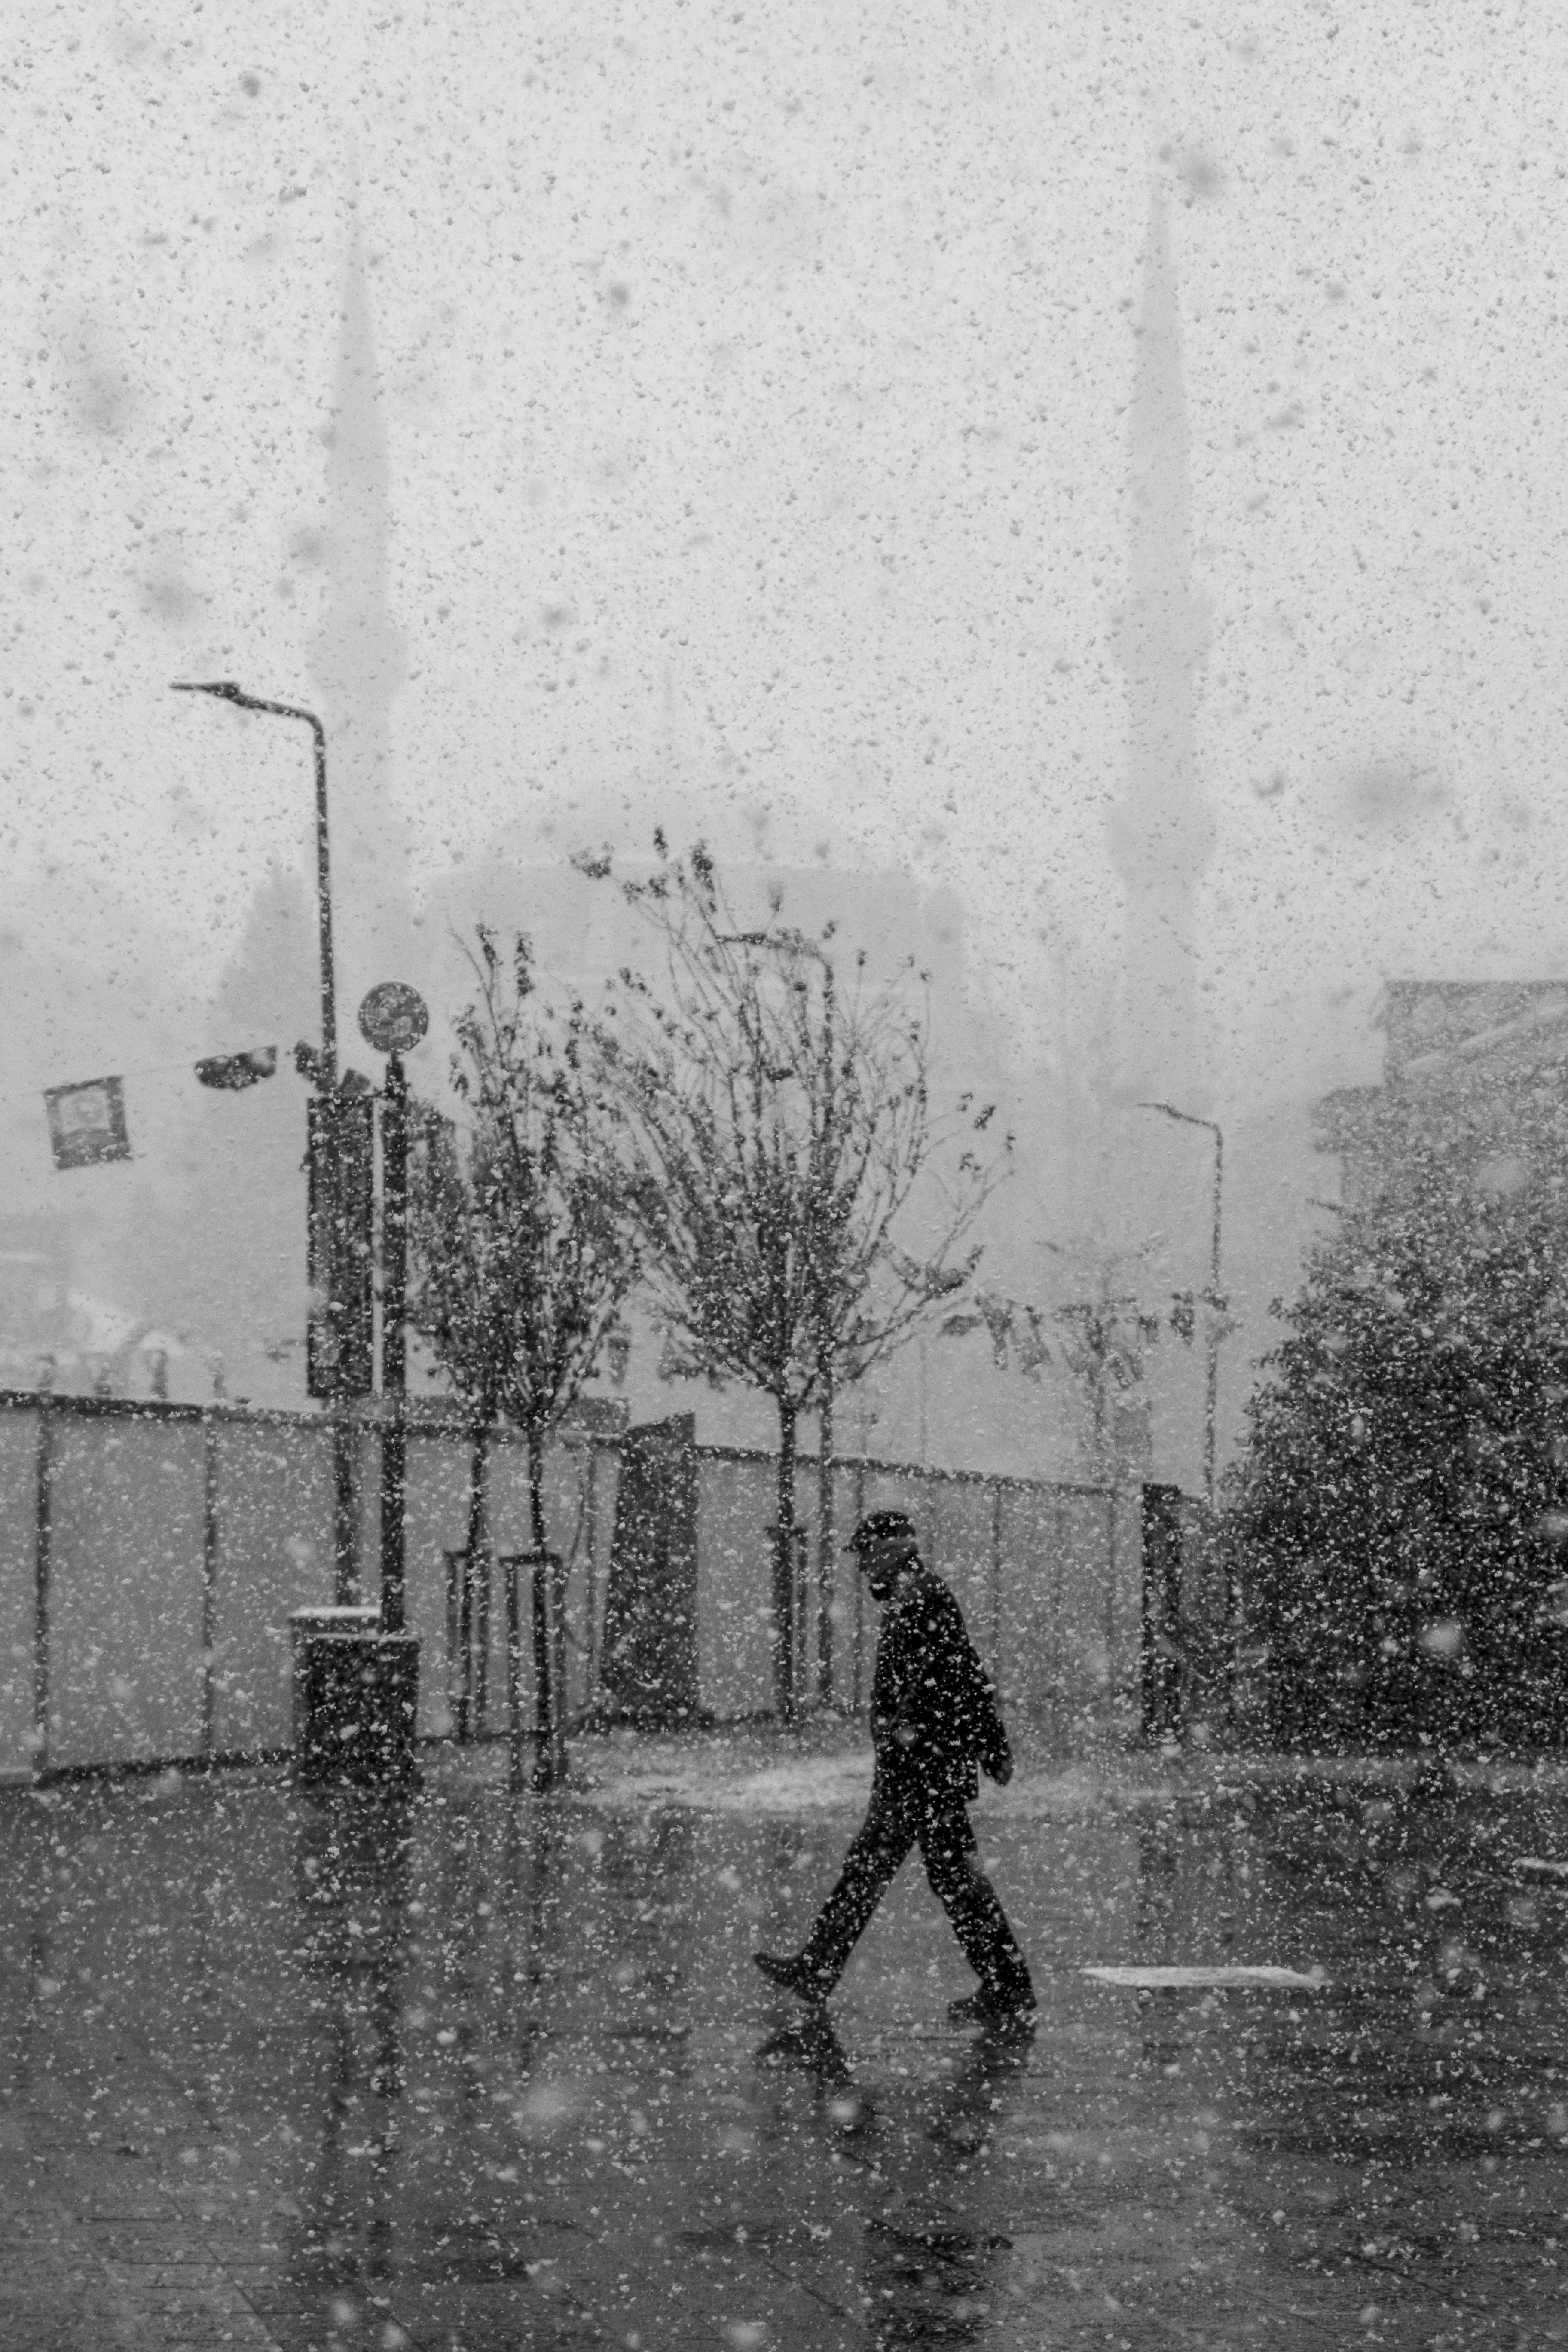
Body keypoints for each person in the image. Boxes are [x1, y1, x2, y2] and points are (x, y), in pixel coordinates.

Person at [754, 1508, 1036, 2027]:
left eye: (866, 1556)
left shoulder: (923, 1598)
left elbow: (962, 1672)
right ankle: (820, 1967)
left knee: (932, 1876)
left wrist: (978, 1743)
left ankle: (1007, 1987)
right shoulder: (915, 1597)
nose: (862, 1568)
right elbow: (960, 1673)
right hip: (917, 1767)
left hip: (924, 1769)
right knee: (900, 1871)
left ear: (889, 1551)